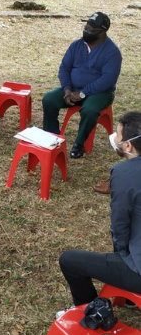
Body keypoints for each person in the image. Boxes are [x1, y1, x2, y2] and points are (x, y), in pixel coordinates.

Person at [58, 112, 141, 314]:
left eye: (119, 136)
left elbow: (119, 224)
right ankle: (128, 298)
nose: (116, 139)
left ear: (128, 145)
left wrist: (122, 255)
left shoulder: (123, 173)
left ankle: (88, 308)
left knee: (69, 260)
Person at [42, 12, 122, 159]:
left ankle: (79, 143)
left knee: (90, 110)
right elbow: (64, 68)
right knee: (49, 99)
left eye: (91, 30)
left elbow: (108, 80)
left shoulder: (112, 52)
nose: (86, 31)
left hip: (100, 92)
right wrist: (67, 89)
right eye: (85, 27)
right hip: (73, 88)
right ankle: (51, 136)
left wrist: (83, 93)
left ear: (102, 32)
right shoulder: (76, 45)